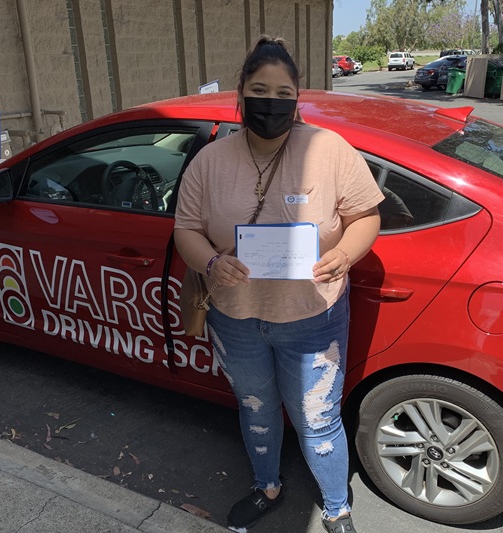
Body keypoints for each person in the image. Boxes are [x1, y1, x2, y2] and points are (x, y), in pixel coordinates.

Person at [173, 36, 383, 533]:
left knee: (318, 419)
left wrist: (344, 255)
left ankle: (337, 508)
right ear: (241, 95)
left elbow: (366, 216)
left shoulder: (329, 150)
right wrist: (210, 263)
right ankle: (267, 486)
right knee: (256, 409)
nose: (272, 103)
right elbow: (186, 230)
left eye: (283, 93)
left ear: (297, 98)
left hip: (313, 318)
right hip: (236, 318)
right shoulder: (210, 161)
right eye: (260, 91)